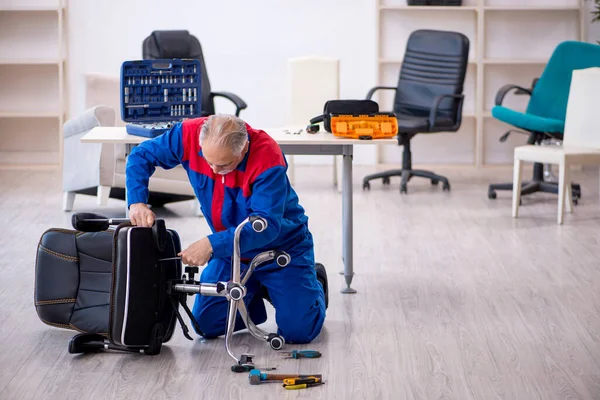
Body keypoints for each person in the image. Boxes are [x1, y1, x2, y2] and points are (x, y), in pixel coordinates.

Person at [125, 114, 328, 344]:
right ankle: (256, 291)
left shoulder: (267, 157)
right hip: (231, 252)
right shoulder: (187, 135)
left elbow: (266, 227)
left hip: (282, 248)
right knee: (205, 324)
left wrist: (211, 244)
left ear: (245, 149)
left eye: (223, 165)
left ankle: (314, 283)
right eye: (207, 160)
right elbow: (141, 156)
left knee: (299, 332)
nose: (213, 169)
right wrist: (137, 202)